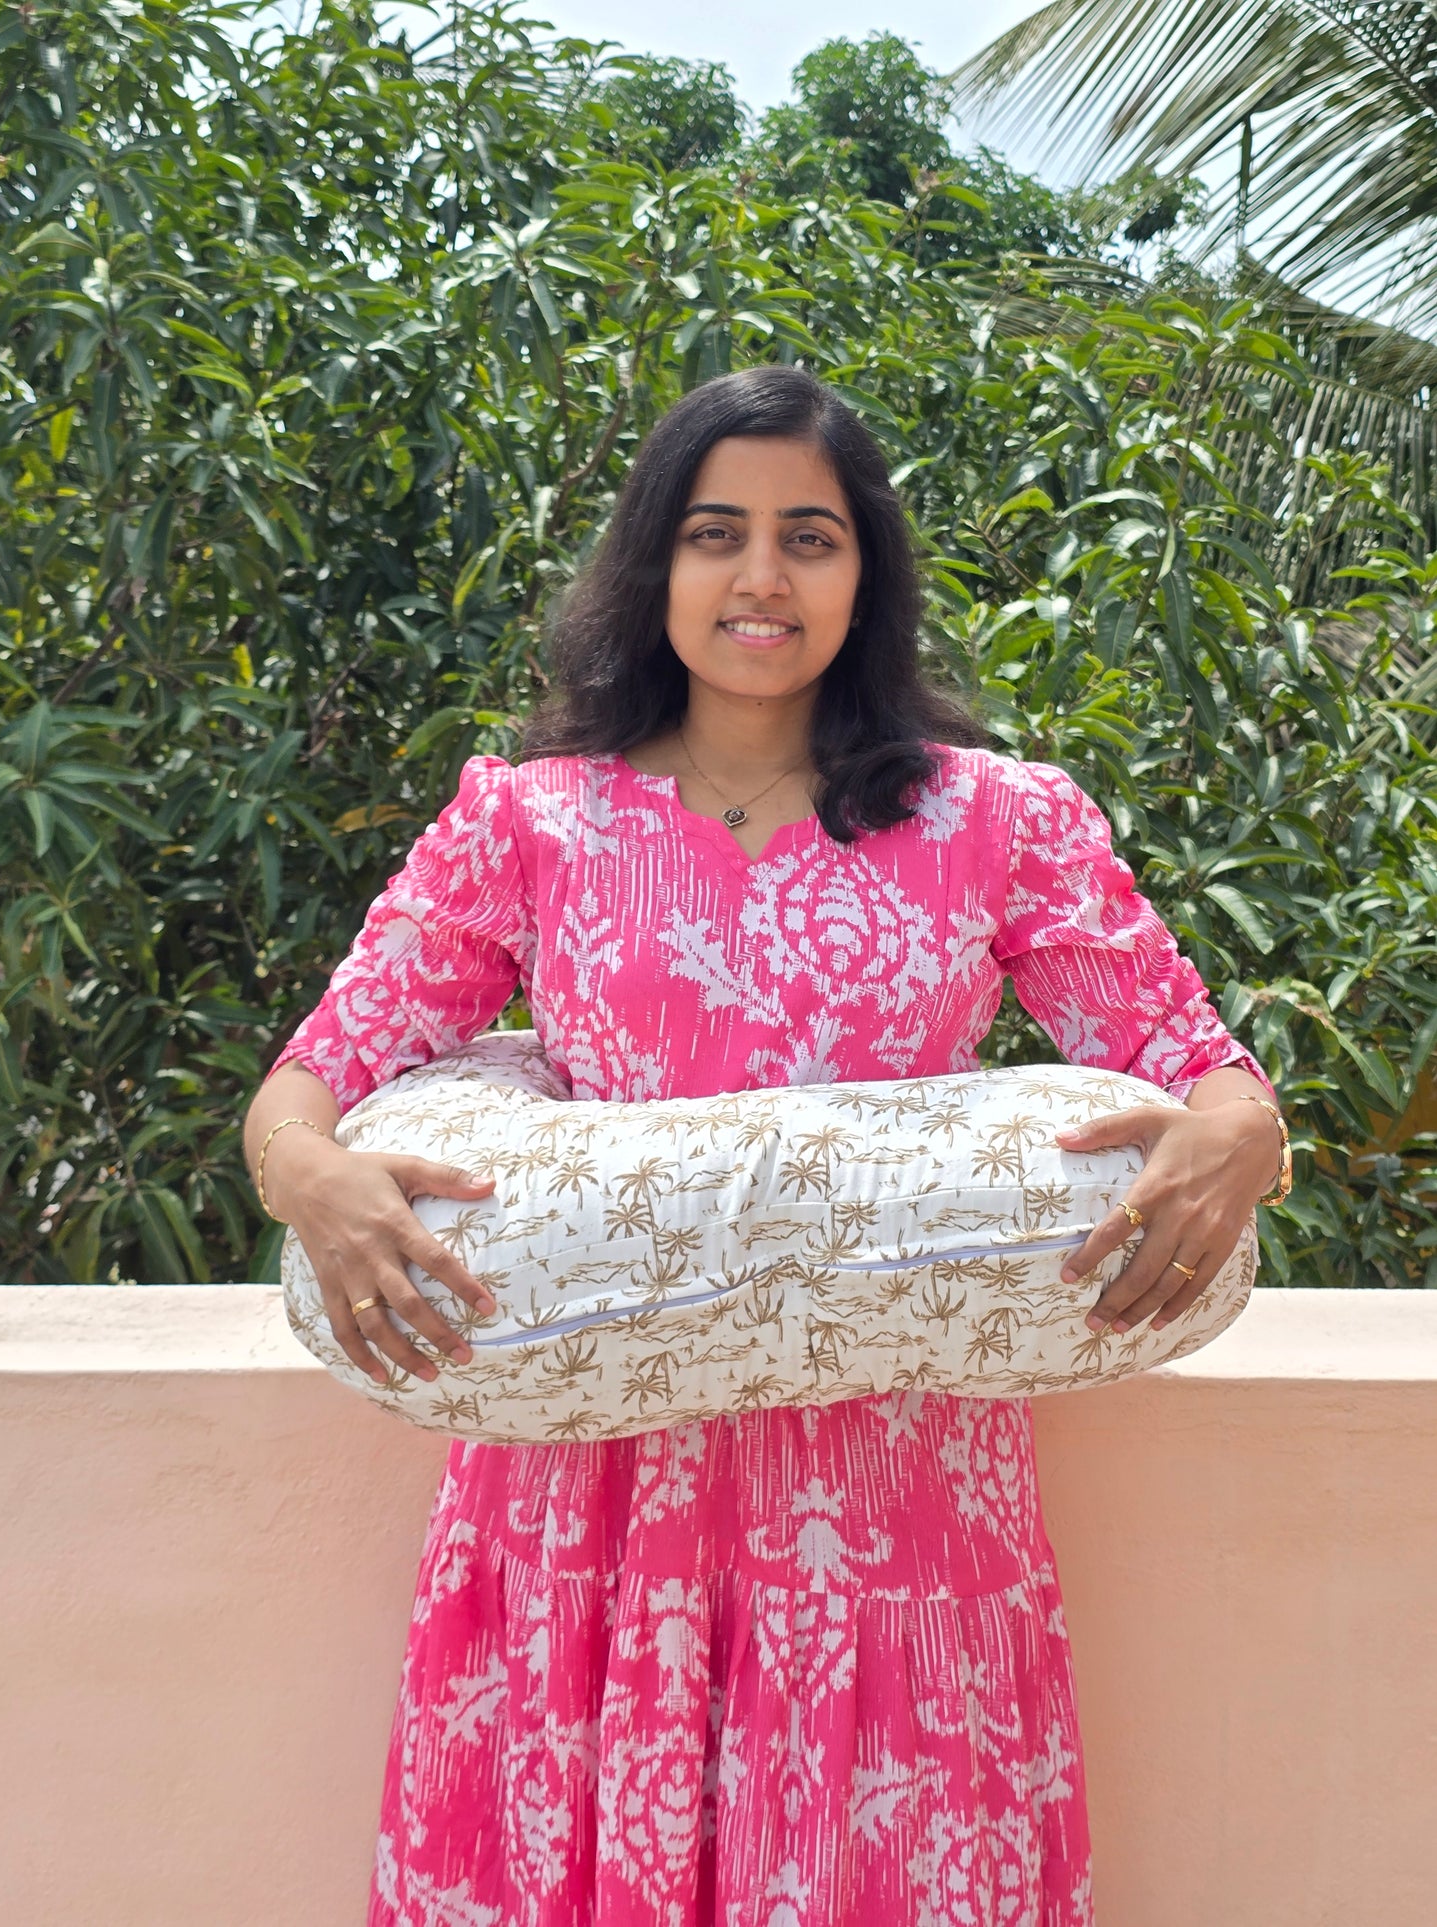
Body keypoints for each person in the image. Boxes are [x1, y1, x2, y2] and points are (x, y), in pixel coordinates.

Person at [243, 365, 1287, 1926]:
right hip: (590, 1476)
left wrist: (1241, 1136)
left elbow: (1190, 1065)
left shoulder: (997, 823)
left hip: (893, 1481)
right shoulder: (528, 820)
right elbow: (310, 1083)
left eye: (810, 536)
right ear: (653, 562)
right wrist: (308, 1178)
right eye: (714, 533)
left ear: (865, 573)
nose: (759, 578)